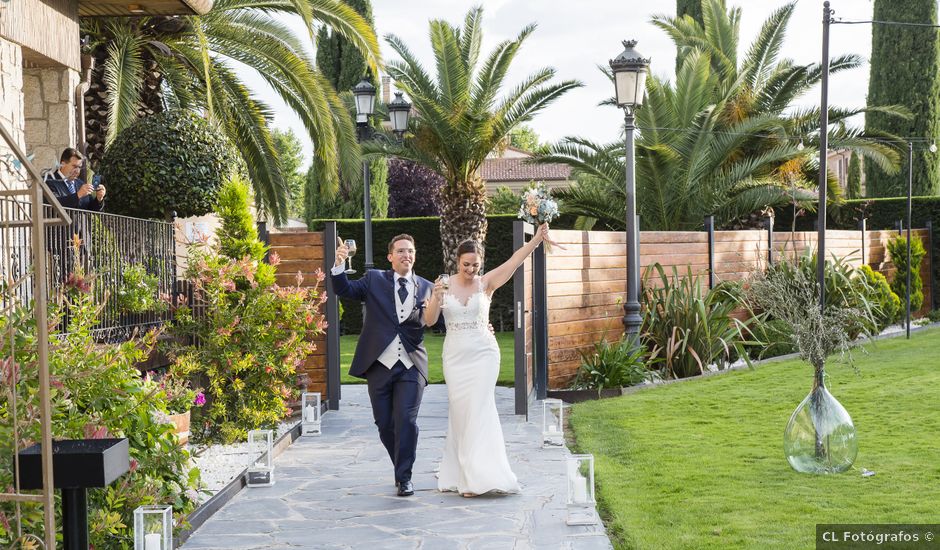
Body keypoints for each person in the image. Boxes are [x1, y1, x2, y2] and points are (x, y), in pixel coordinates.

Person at [424, 223, 559, 497]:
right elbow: (429, 321)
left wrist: (535, 241)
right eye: (466, 264)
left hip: (484, 355)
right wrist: (436, 299)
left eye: (475, 265)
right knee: (461, 413)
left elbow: (513, 261)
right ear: (457, 261)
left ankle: (477, 478)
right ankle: (460, 472)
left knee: (479, 409)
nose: (471, 270)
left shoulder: (486, 283)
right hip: (455, 358)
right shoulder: (442, 285)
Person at [331, 234, 435, 497]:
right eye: (400, 251)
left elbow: (442, 322)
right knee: (385, 424)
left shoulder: (427, 287)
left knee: (407, 421)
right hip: (379, 363)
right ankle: (400, 464)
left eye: (410, 251)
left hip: (411, 364)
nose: (406, 255)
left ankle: (404, 478)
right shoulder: (374, 279)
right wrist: (339, 264)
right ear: (390, 257)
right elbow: (345, 290)